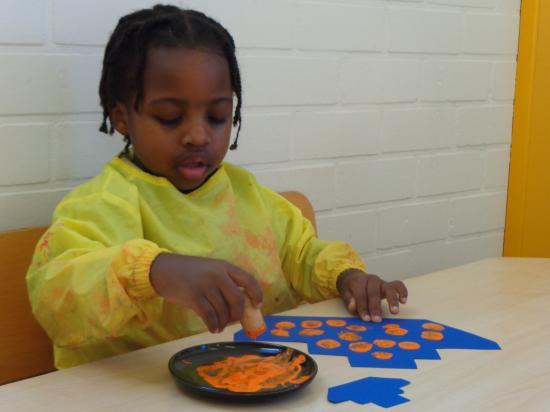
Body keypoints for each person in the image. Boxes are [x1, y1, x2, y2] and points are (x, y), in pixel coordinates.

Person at [26, 4, 408, 369]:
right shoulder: (100, 203)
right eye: (170, 117)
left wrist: (347, 278)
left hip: (257, 377)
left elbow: (303, 253)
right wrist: (155, 271)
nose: (197, 135)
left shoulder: (245, 192)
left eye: (218, 116)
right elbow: (55, 297)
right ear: (122, 118)